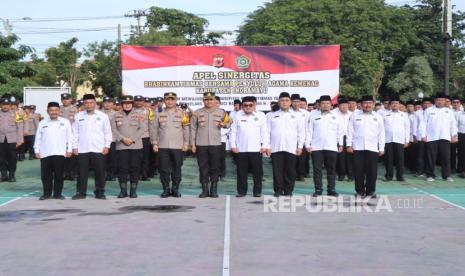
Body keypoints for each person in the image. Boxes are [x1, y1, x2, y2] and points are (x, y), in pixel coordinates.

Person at [72, 94, 112, 200]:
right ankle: (81, 192)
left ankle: (100, 192)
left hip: (98, 148)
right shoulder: (78, 116)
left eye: (91, 103)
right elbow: (75, 133)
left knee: (100, 172)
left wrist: (107, 146)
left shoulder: (103, 116)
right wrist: (74, 147)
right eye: (86, 103)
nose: (89, 105)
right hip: (82, 148)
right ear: (83, 104)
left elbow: (107, 132)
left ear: (95, 103)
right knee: (82, 172)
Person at [150, 92, 190, 198]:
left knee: (177, 168)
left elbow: (186, 129)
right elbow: (154, 129)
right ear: (164, 101)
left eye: (172, 99)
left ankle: (175, 189)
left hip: (178, 146)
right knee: (163, 169)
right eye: (167, 99)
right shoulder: (158, 113)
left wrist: (186, 143)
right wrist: (154, 143)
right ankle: (166, 189)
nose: (170, 102)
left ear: (176, 101)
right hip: (163, 146)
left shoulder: (183, 113)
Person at [190, 92, 230, 198]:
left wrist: (224, 125)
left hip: (216, 144)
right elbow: (193, 129)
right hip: (201, 144)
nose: (208, 102)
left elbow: (229, 123)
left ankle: (214, 189)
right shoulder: (196, 113)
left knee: (215, 167)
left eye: (211, 99)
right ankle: (204, 190)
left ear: (214, 100)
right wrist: (193, 144)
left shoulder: (221, 112)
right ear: (203, 100)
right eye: (206, 99)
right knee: (203, 167)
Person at [266, 92, 305, 197]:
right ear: (279, 102)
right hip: (276, 147)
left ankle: (288, 190)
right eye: (282, 100)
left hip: (291, 148)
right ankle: (278, 190)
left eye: (287, 100)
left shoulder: (297, 116)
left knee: (290, 171)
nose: (284, 103)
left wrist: (300, 146)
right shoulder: (271, 116)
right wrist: (267, 146)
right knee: (277, 171)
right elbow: (267, 132)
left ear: (290, 102)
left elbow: (301, 133)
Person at [230, 96, 269, 197]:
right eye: (245, 105)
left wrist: (265, 145)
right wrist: (233, 145)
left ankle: (257, 191)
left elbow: (265, 132)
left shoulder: (261, 115)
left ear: (254, 105)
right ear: (242, 106)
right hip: (241, 149)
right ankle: (242, 191)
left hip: (256, 149)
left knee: (257, 172)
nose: (248, 107)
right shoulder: (237, 115)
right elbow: (233, 131)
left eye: (250, 105)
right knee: (241, 172)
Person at [347, 95, 385, 198]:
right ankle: (359, 191)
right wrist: (348, 145)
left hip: (372, 148)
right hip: (357, 148)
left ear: (373, 104)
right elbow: (350, 131)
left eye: (369, 103)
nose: (367, 105)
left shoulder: (378, 117)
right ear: (361, 104)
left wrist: (381, 148)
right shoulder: (355, 115)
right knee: (358, 170)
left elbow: (381, 133)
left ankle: (370, 191)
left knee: (372, 171)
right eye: (365, 103)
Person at [306, 95, 344, 197]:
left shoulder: (336, 117)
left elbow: (340, 132)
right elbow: (309, 131)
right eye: (323, 103)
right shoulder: (313, 116)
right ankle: (318, 189)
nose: (325, 105)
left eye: (327, 103)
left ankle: (331, 189)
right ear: (319, 105)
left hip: (331, 146)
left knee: (331, 169)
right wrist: (308, 144)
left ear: (331, 105)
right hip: (316, 147)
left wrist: (340, 144)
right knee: (317, 169)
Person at [34, 102, 73, 200]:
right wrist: (36, 150)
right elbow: (38, 137)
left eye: (56, 110)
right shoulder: (42, 123)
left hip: (60, 152)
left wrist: (69, 149)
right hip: (45, 152)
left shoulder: (65, 122)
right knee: (46, 176)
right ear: (48, 111)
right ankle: (46, 194)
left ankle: (57, 194)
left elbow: (70, 137)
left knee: (59, 175)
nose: (54, 112)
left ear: (59, 111)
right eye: (51, 110)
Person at [419, 93, 458, 182]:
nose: (440, 102)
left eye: (442, 100)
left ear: (445, 101)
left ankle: (446, 175)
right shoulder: (429, 110)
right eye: (438, 100)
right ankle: (430, 175)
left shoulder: (449, 111)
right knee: (431, 157)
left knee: (446, 157)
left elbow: (453, 124)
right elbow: (423, 123)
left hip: (445, 137)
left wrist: (454, 135)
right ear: (435, 101)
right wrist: (423, 135)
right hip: (432, 137)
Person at [111, 95, 144, 198]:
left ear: (132, 104)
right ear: (122, 104)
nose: (127, 105)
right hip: (121, 145)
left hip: (135, 145)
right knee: (122, 168)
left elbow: (142, 128)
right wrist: (122, 139)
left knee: (135, 168)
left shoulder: (139, 115)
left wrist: (132, 139)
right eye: (125, 103)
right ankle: (123, 190)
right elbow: (113, 129)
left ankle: (133, 191)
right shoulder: (116, 115)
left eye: (129, 103)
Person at [382, 96, 410, 182]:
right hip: (388, 139)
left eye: (396, 103)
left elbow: (407, 128)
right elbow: (381, 128)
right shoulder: (385, 114)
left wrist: (407, 140)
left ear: (399, 105)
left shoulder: (404, 115)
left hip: (400, 140)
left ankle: (400, 176)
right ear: (390, 105)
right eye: (393, 103)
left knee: (400, 159)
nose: (395, 105)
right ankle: (389, 176)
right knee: (388, 159)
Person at [0, 98, 23, 182]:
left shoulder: (17, 114)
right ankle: (4, 175)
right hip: (1, 140)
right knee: (1, 159)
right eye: (3, 104)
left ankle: (12, 175)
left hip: (12, 140)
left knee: (12, 158)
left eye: (7, 104)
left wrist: (20, 140)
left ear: (9, 105)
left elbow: (20, 127)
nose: (5, 106)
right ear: (1, 105)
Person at [134, 95, 154, 180]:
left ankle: (144, 174)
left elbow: (152, 125)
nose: (138, 102)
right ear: (134, 102)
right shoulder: (130, 111)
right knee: (135, 157)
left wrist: (153, 139)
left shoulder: (149, 111)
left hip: (145, 137)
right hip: (134, 138)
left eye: (140, 101)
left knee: (145, 157)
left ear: (143, 102)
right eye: (137, 100)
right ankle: (135, 174)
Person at [60, 93, 79, 181]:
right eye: (63, 99)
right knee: (62, 155)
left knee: (72, 155)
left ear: (71, 100)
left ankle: (73, 173)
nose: (65, 100)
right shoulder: (58, 109)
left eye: (67, 99)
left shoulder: (76, 109)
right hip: (61, 135)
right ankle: (63, 172)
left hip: (72, 134)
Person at [291, 94, 310, 181]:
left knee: (302, 158)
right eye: (294, 102)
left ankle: (301, 174)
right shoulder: (288, 112)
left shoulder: (306, 113)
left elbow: (308, 127)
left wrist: (307, 141)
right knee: (292, 158)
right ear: (291, 102)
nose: (296, 103)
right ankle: (292, 174)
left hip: (303, 138)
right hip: (291, 139)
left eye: (297, 102)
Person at [334, 96, 353, 181]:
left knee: (350, 157)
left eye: (346, 105)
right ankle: (341, 174)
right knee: (340, 157)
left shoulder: (352, 114)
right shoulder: (333, 114)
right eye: (342, 105)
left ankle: (350, 174)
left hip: (350, 137)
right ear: (338, 106)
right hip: (338, 137)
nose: (344, 107)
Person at [102, 96, 117, 181]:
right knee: (102, 158)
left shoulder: (116, 114)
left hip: (113, 139)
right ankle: (103, 173)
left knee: (112, 158)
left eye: (109, 102)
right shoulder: (98, 113)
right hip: (101, 139)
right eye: (105, 102)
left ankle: (111, 174)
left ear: (112, 104)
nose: (107, 104)